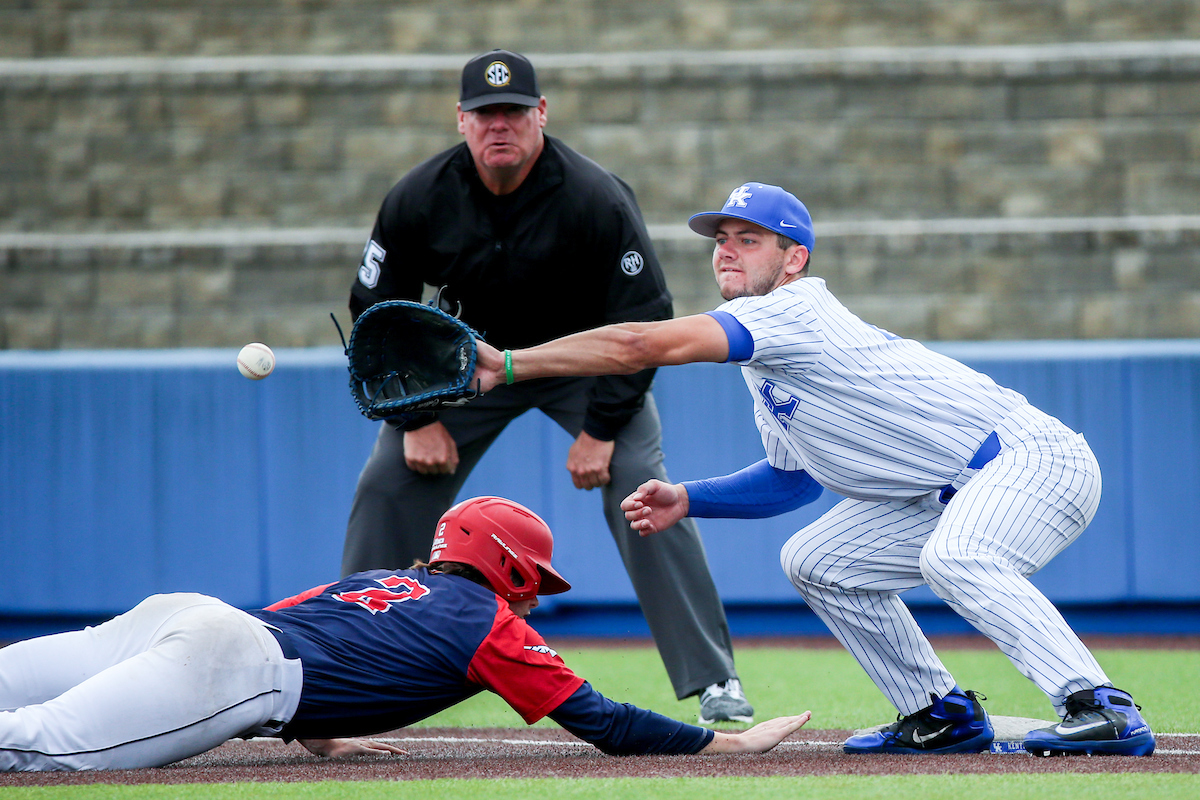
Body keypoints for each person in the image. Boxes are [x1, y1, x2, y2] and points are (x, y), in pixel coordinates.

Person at [469, 182, 1156, 757]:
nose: (727, 250)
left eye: (749, 238)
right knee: (817, 558)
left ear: (794, 258)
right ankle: (939, 714)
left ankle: (1103, 705)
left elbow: (642, 343)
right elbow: (793, 479)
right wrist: (688, 498)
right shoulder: (765, 358)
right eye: (721, 239)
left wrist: (512, 363)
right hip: (947, 490)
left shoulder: (793, 311)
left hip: (1031, 461)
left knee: (958, 555)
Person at [343, 48, 751, 724]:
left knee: (643, 486)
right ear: (461, 121)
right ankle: (348, 657)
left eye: (511, 111)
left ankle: (714, 677)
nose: (497, 125)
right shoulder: (418, 197)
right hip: (465, 368)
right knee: (387, 484)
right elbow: (375, 313)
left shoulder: (594, 195)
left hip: (582, 367)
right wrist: (415, 418)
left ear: (540, 114)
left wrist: (601, 430)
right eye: (483, 114)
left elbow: (646, 318)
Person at [0, 497, 811, 772]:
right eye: (534, 579)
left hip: (183, 616)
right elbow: (602, 723)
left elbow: (299, 631)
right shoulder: (487, 622)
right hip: (229, 664)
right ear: (506, 567)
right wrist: (727, 749)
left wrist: (318, 737)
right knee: (38, 749)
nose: (536, 601)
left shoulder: (384, 579)